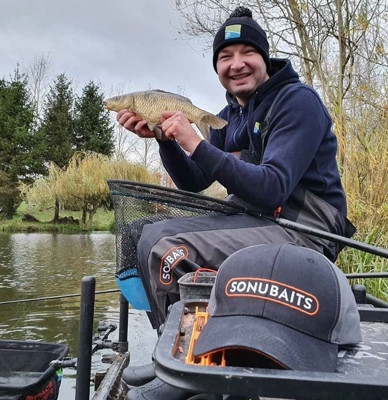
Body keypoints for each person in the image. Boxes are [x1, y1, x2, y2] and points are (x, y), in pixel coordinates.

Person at [118, 6, 356, 398]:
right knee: (141, 234)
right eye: (225, 57)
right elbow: (194, 180)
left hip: (307, 229)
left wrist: (194, 140)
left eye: (247, 52)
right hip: (256, 218)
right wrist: (167, 140)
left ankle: (189, 370)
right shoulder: (232, 114)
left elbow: (272, 186)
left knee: (171, 250)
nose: (236, 64)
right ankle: (176, 351)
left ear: (264, 58)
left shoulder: (297, 102)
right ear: (217, 68)